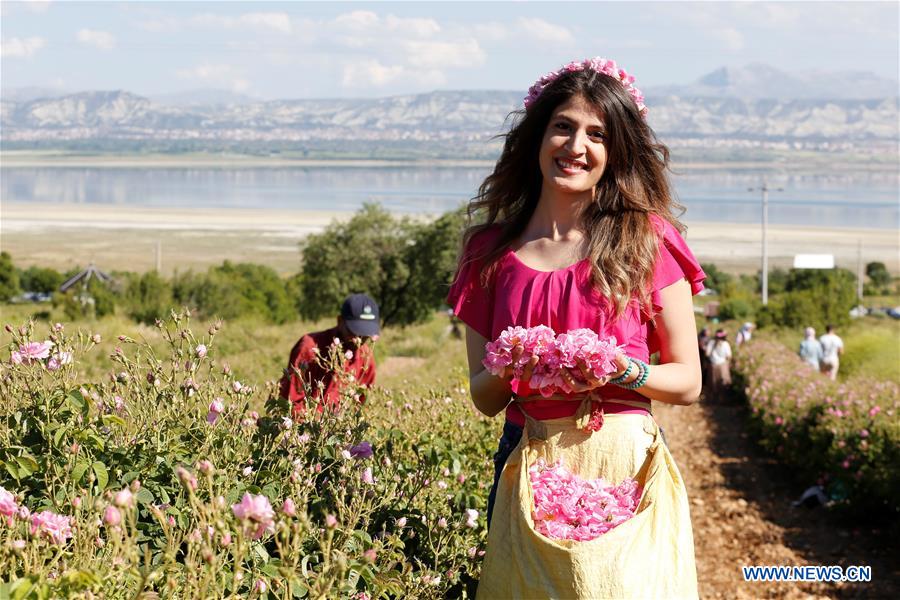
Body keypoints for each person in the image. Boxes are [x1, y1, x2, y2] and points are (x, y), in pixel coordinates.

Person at [447, 57, 702, 599]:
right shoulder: (487, 253)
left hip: (622, 460)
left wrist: (620, 369)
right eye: (563, 126)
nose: (576, 146)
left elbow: (688, 381)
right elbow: (484, 398)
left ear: (617, 152)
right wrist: (507, 365)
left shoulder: (645, 239)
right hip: (528, 453)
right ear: (538, 136)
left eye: (597, 134)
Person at [279, 293, 379, 415]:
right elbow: (289, 402)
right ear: (339, 321)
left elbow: (361, 405)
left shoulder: (366, 357)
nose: (358, 339)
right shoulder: (309, 348)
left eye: (365, 335)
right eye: (354, 332)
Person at [705, 329, 732, 402]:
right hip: (722, 365)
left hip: (713, 365)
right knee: (722, 382)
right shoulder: (726, 344)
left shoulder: (711, 342)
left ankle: (712, 399)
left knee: (713, 382)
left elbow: (707, 354)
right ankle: (722, 399)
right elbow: (729, 356)